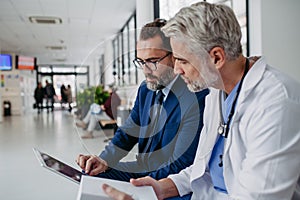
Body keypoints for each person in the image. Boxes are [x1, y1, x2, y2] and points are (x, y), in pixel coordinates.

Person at [102, 2, 300, 200]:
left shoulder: (276, 103)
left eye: (183, 60)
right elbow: (201, 169)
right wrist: (161, 188)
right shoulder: (216, 91)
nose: (177, 70)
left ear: (216, 58)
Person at [76, 19, 209, 182]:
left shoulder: (196, 97)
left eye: (153, 61)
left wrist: (136, 182)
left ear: (174, 57)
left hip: (167, 178)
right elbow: (127, 132)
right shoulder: (146, 90)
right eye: (141, 61)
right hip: (142, 169)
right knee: (90, 174)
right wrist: (104, 160)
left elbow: (180, 165)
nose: (146, 70)